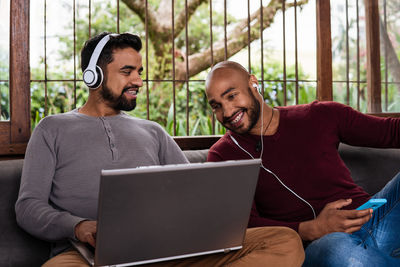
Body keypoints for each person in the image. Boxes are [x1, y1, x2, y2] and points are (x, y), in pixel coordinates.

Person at [15, 33, 304, 267]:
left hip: (166, 252)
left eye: (139, 72)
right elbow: (28, 208)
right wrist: (79, 226)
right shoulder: (52, 129)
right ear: (94, 76)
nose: (138, 81)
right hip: (86, 258)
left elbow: (194, 193)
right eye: (127, 72)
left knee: (284, 241)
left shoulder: (153, 131)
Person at [205, 60, 400, 266]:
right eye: (216, 106)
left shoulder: (319, 115)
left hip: (376, 217)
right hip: (321, 244)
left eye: (231, 96)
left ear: (253, 83)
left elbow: (391, 131)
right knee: (344, 253)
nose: (226, 112)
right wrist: (313, 228)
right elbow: (246, 226)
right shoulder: (222, 155)